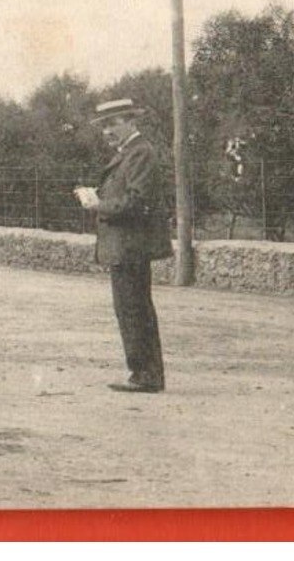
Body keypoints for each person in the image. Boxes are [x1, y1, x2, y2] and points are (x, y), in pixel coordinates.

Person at [76, 98, 173, 393]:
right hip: (126, 245)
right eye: (103, 126)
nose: (106, 131)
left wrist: (98, 204)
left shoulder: (140, 153)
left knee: (133, 309)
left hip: (132, 245)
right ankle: (144, 373)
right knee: (132, 309)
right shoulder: (130, 153)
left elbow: (138, 202)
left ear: (131, 121)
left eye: (111, 124)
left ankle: (146, 375)